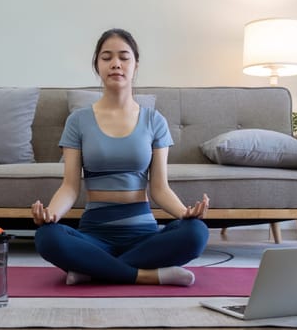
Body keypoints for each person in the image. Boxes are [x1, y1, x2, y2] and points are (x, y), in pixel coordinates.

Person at [32, 28, 209, 286]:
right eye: (106, 57)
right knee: (47, 237)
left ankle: (94, 269)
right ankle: (148, 275)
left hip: (144, 237)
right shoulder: (78, 121)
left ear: (135, 65)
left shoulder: (154, 121)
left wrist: (186, 214)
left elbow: (160, 189)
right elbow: (70, 187)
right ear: (97, 65)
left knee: (196, 233)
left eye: (124, 57)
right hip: (94, 236)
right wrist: (51, 214)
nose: (116, 63)